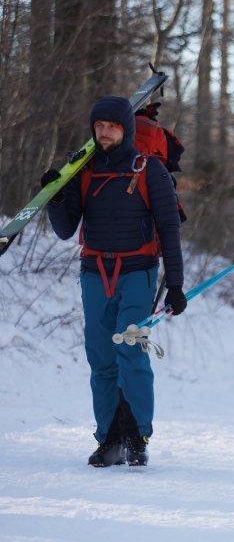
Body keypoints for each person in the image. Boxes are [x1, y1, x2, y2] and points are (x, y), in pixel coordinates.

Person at [41, 96, 187, 467]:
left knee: (130, 349)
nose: (104, 133)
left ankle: (137, 436)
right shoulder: (84, 170)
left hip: (138, 273)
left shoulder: (148, 169)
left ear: (126, 129)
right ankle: (108, 438)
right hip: (94, 274)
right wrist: (55, 196)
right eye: (99, 127)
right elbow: (64, 230)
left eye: (112, 127)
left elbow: (169, 230)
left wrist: (176, 284)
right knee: (101, 357)